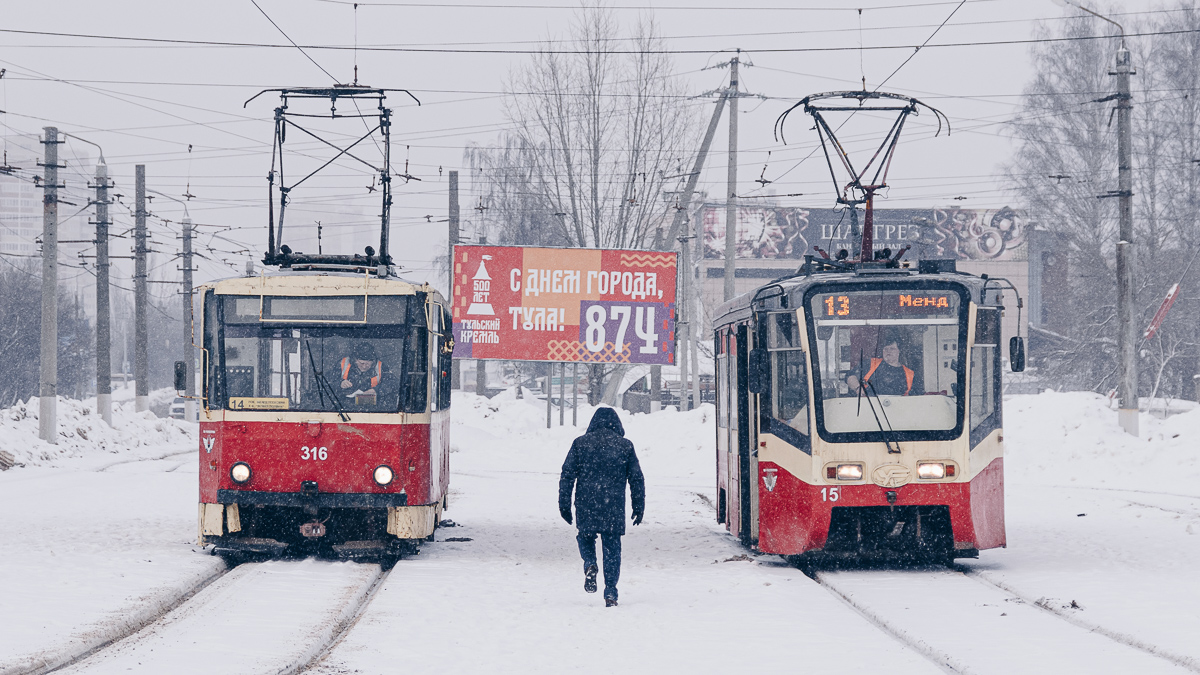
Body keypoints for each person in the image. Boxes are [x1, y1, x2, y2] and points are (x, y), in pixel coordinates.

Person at [559, 407, 645, 607]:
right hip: (613, 506)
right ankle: (611, 592)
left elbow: (567, 475)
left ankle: (590, 563)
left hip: (586, 503)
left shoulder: (580, 444)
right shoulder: (625, 446)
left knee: (585, 536)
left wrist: (564, 504)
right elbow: (636, 478)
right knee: (612, 547)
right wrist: (638, 505)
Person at [845, 338, 915, 396]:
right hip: (868, 408)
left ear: (899, 351)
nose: (888, 351)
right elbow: (850, 375)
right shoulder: (870, 364)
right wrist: (858, 388)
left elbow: (917, 397)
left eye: (892, 348)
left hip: (898, 410)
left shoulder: (910, 374)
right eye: (885, 349)